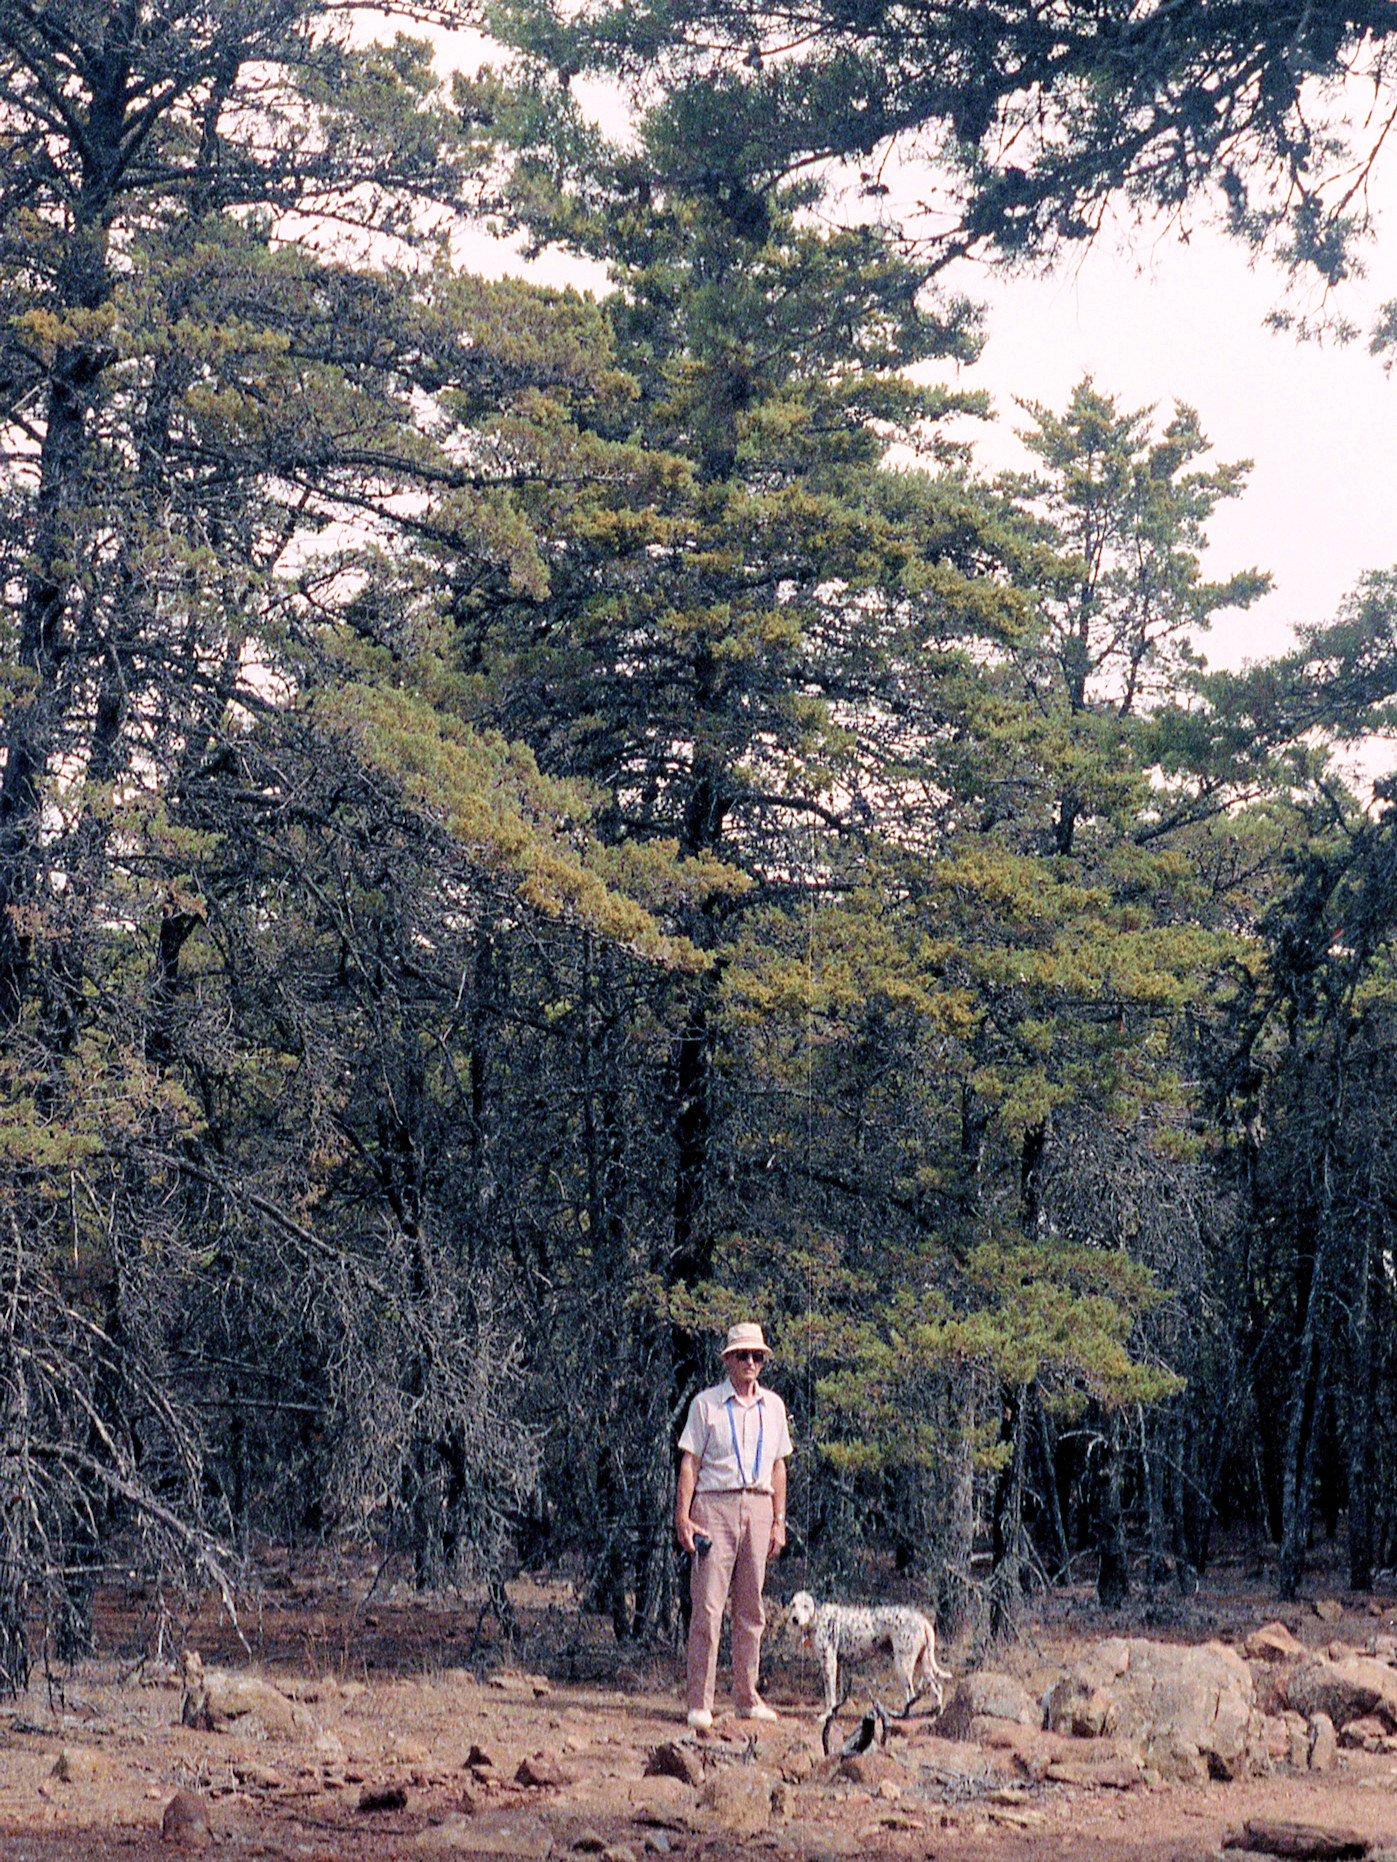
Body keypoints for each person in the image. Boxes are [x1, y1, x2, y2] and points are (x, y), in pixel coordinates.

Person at [674, 1321, 792, 1729]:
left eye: (756, 1356)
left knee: (751, 1608)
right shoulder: (706, 1404)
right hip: (714, 1507)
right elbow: (690, 1463)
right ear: (727, 1359)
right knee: (708, 1606)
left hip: (759, 1507)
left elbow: (778, 1466)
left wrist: (779, 1520)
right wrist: (683, 1516)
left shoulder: (773, 1406)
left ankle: (746, 1695)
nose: (750, 1362)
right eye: (742, 1355)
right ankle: (699, 1703)